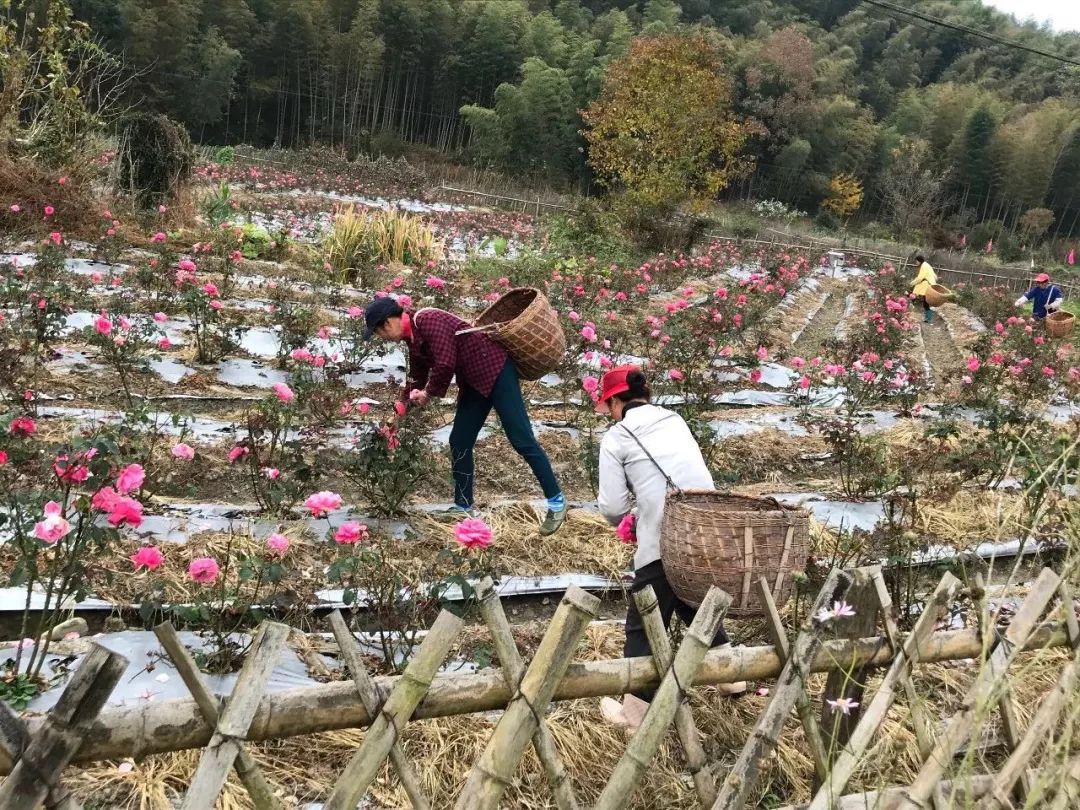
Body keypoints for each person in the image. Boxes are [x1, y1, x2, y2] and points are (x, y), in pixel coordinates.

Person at [593, 366, 745, 732]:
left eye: (608, 405)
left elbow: (612, 507)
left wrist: (633, 516)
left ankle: (634, 716)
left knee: (644, 622)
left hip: (664, 534)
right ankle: (733, 678)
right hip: (706, 526)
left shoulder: (617, 437)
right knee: (693, 600)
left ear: (615, 400)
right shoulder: (674, 419)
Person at [363, 296, 566, 535]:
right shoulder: (413, 339)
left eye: (378, 332)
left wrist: (428, 393)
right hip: (475, 383)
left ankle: (556, 502)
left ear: (387, 323)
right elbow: (416, 377)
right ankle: (463, 506)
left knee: (521, 439)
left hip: (496, 372)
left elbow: (445, 362)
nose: (382, 338)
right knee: (459, 440)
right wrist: (398, 412)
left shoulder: (427, 319)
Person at [910, 254, 937, 324]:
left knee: (915, 295)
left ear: (919, 261)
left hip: (926, 284)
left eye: (916, 261)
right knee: (925, 301)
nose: (916, 263)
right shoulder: (927, 265)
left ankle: (909, 311)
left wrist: (912, 283)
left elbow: (920, 278)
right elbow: (935, 276)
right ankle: (928, 318)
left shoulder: (923, 266)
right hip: (929, 284)